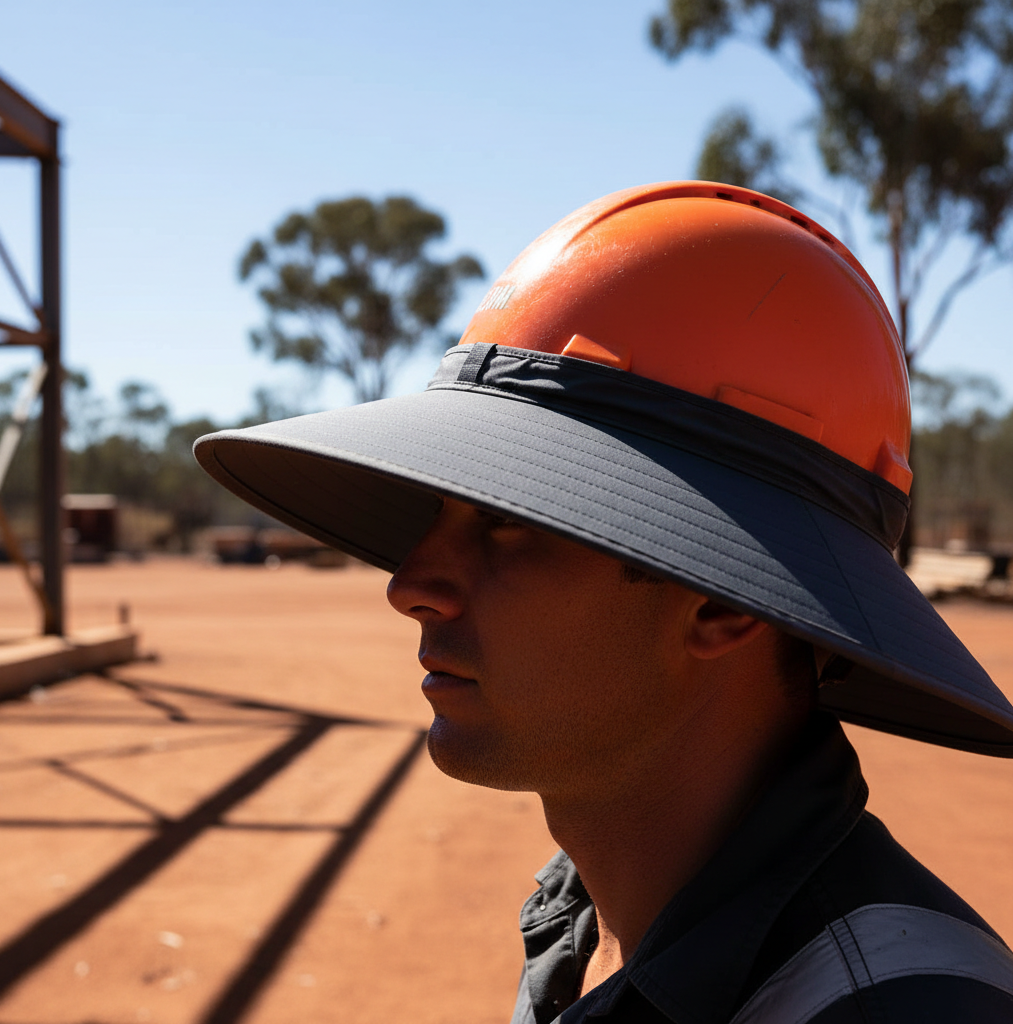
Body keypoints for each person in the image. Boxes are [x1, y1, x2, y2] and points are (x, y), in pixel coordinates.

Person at [196, 182, 1013, 1022]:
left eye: (511, 521)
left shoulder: (899, 1005)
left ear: (720, 602)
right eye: (439, 508)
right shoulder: (596, 930)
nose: (410, 586)